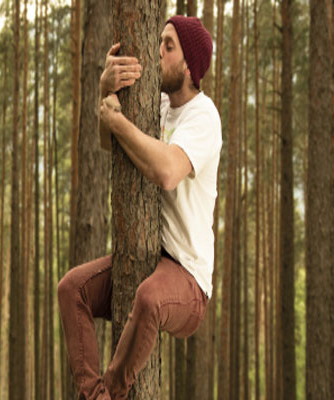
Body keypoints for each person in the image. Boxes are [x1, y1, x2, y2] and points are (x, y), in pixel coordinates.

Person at [57, 16, 221, 400]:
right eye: (159, 41)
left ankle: (109, 394)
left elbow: (166, 172)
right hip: (148, 257)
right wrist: (105, 92)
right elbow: (107, 144)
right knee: (71, 289)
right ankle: (91, 393)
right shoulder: (156, 105)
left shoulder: (203, 117)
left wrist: (118, 123)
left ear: (190, 65)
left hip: (188, 279)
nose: (157, 52)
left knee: (148, 298)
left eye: (168, 46)